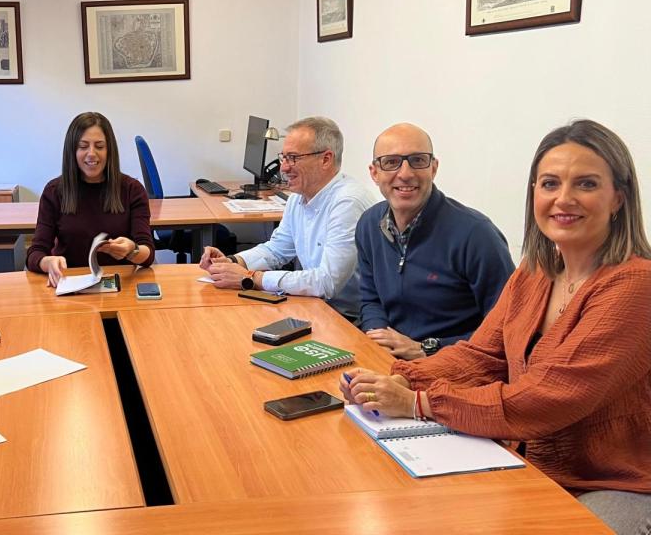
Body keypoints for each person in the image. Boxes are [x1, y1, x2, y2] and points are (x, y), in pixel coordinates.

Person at [340, 120, 651, 534]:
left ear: (618, 199)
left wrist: (419, 402)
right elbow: (482, 355)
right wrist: (393, 379)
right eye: (550, 184)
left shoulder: (635, 285)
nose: (564, 199)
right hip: (527, 457)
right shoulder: (537, 271)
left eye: (587, 184)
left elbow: (547, 399)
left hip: (611, 481)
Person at [356, 123, 515, 359]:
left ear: (434, 168)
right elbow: (370, 299)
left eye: (418, 160)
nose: (406, 173)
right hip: (391, 360)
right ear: (374, 173)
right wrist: (379, 337)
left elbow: (508, 329)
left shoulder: (477, 235)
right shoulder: (369, 225)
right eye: (391, 162)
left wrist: (427, 348)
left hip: (455, 367)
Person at [199, 117, 375, 319]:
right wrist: (233, 261)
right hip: (316, 308)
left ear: (326, 159)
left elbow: (327, 283)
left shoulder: (347, 203)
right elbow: (277, 248)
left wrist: (252, 278)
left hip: (351, 320)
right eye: (283, 158)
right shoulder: (299, 197)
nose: (283, 168)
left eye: (293, 158)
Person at [27, 112, 155, 287]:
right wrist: (48, 262)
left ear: (109, 150)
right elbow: (35, 253)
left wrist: (132, 250)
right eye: (83, 146)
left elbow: (148, 254)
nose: (91, 154)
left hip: (120, 286)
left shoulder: (132, 190)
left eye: (100, 146)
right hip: (70, 286)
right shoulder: (54, 191)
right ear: (72, 150)